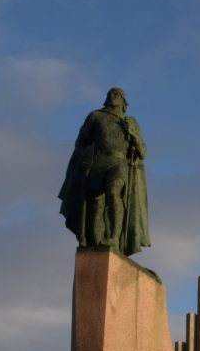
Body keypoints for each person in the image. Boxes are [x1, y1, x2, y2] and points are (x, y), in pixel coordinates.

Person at [58, 87, 150, 256]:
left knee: (114, 191)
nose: (112, 96)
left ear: (123, 101)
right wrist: (84, 157)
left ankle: (114, 238)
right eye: (110, 93)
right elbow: (81, 142)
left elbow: (143, 152)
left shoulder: (130, 122)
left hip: (119, 163)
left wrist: (133, 134)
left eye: (116, 94)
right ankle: (97, 241)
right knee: (95, 205)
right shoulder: (96, 117)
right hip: (97, 163)